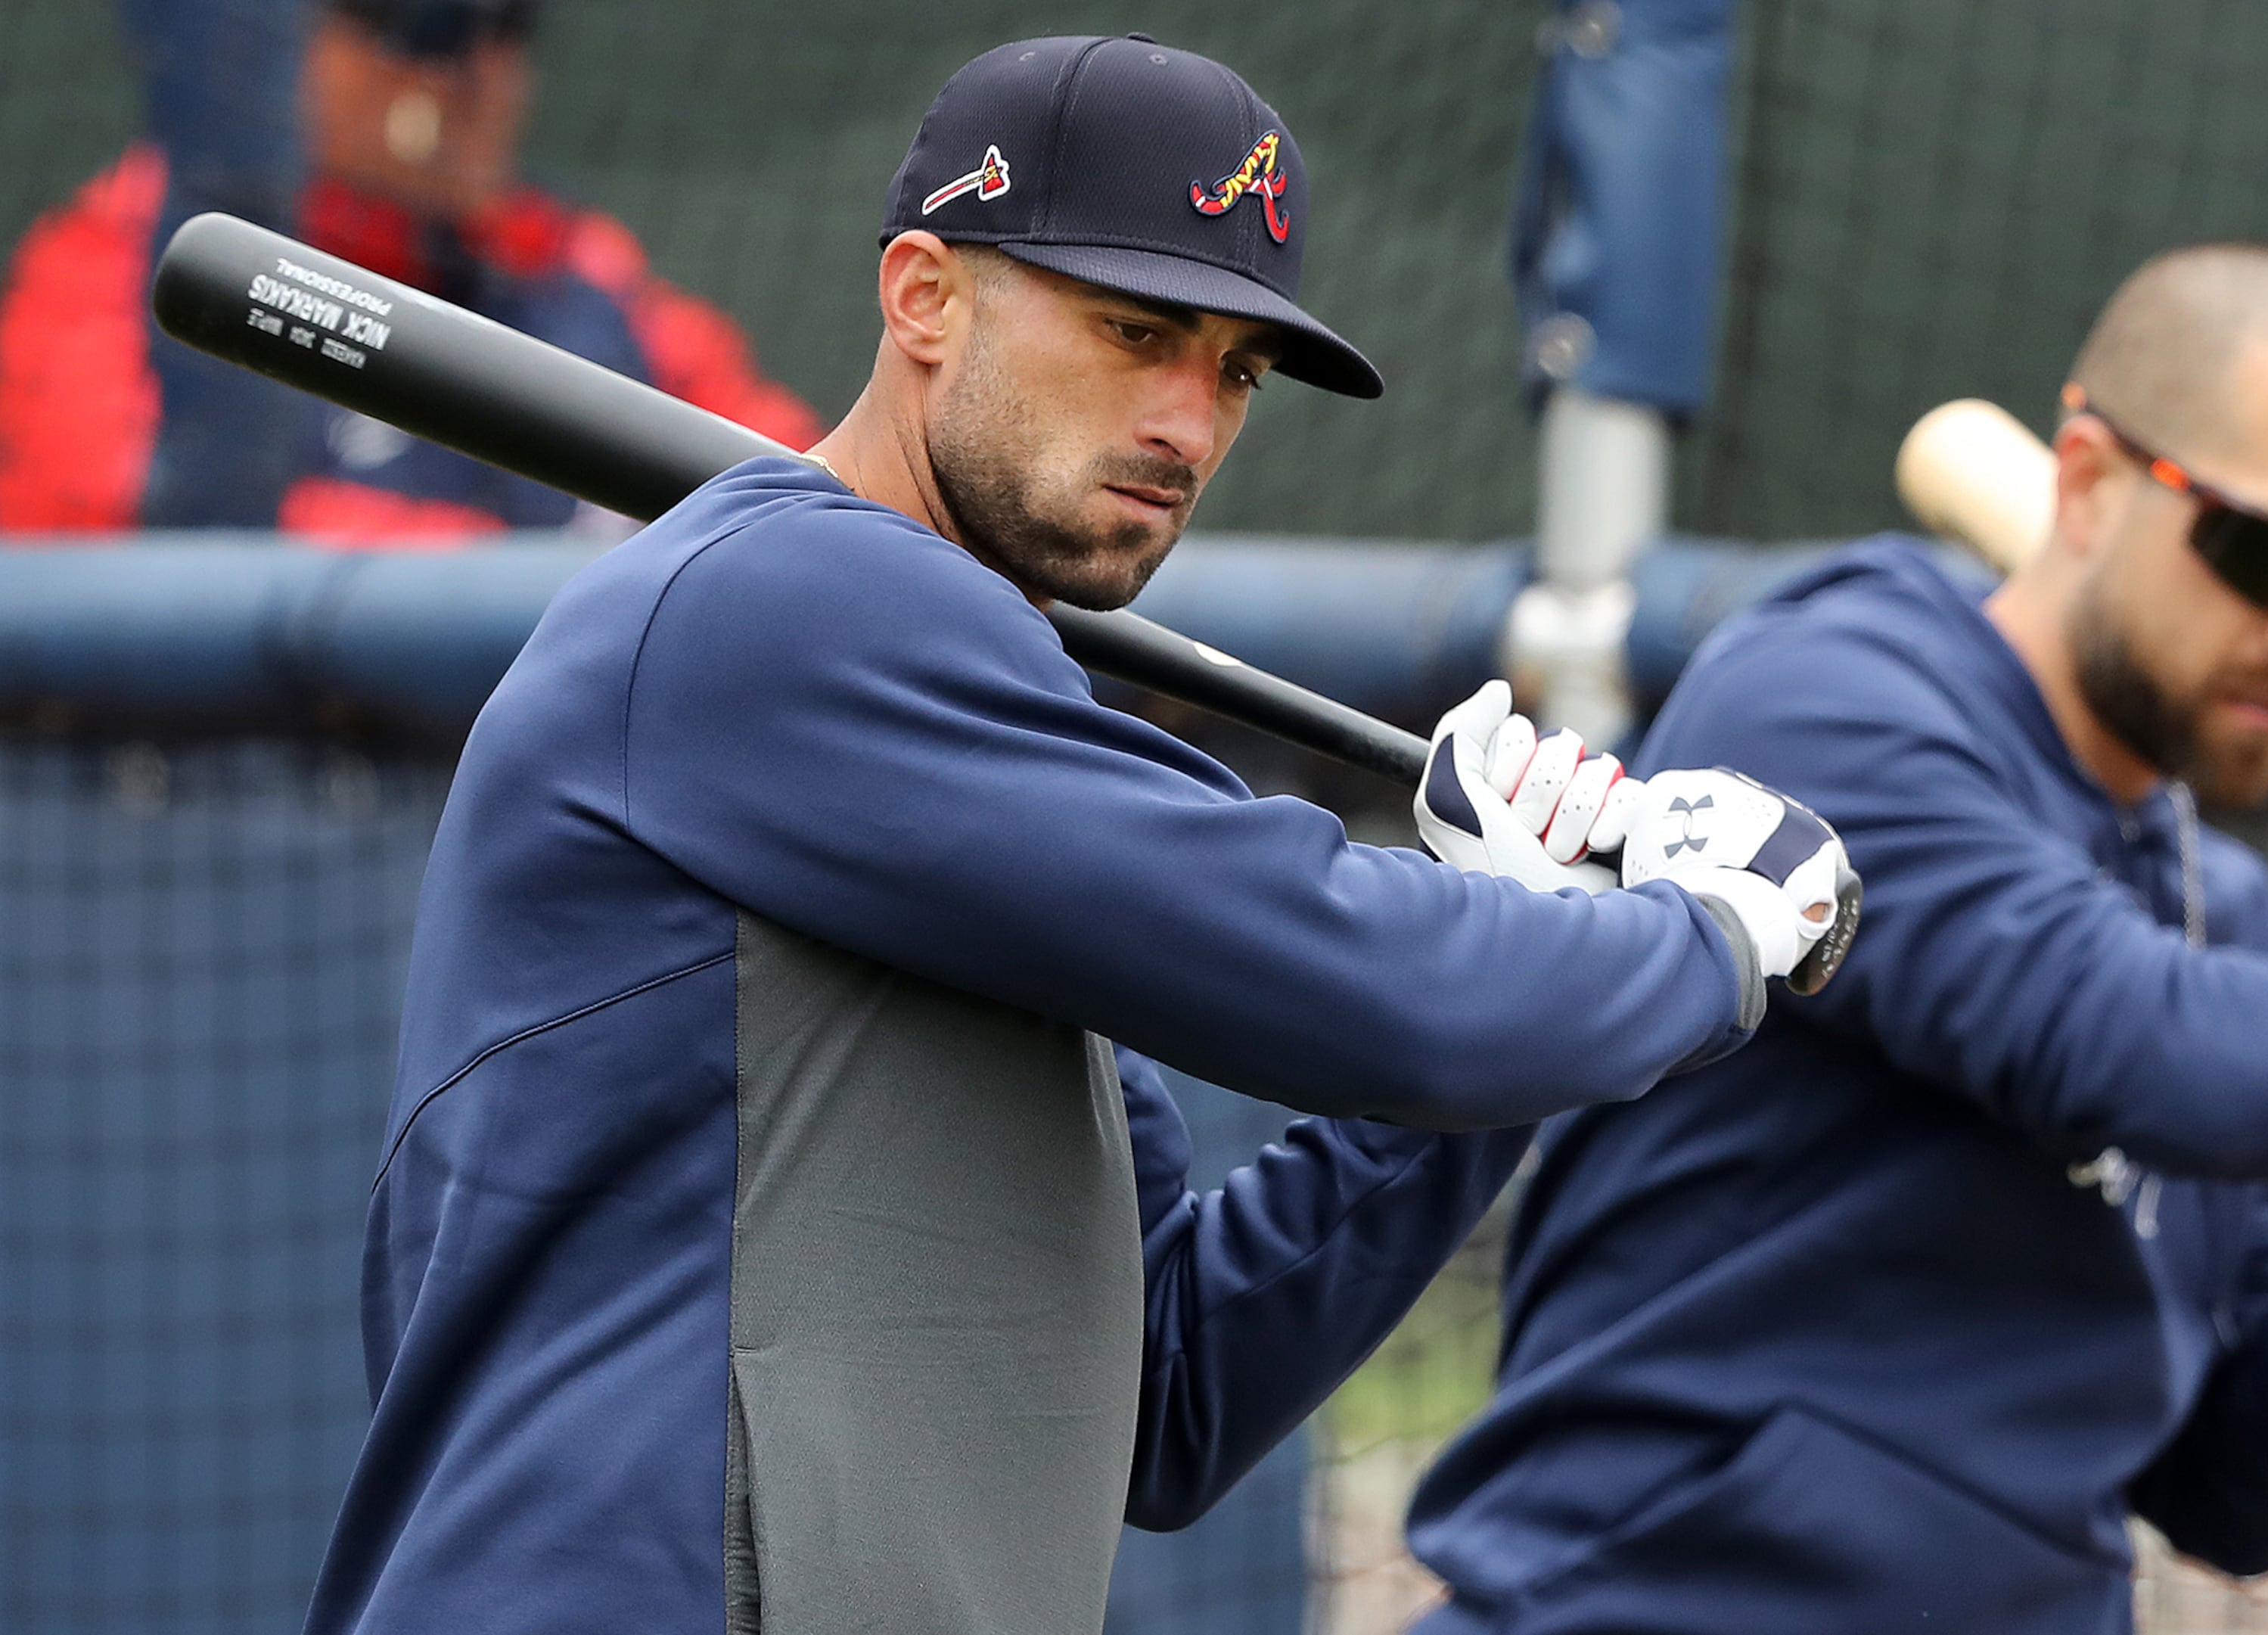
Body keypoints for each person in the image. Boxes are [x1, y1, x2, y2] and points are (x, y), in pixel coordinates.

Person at [300, 35, 1856, 1635]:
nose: (1188, 423)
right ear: (924, 298)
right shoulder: (782, 605)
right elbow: (1382, 984)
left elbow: (1163, 1394)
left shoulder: (974, 778)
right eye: (1136, 332)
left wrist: (1503, 1015)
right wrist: (1697, 936)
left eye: (1235, 371)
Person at [1405, 244, 2268, 1632]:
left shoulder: (2207, 902)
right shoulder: (1829, 703)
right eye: (2266, 552)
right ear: (2086, 483)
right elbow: (2135, 1050)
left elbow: (2241, 1480)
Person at [0, 0, 814, 539]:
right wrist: (522, 578)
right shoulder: (141, 247)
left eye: (510, 27)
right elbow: (96, 510)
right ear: (285, 40)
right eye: (427, 27)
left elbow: (803, 484)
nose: (478, 78)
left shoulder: (569, 264)